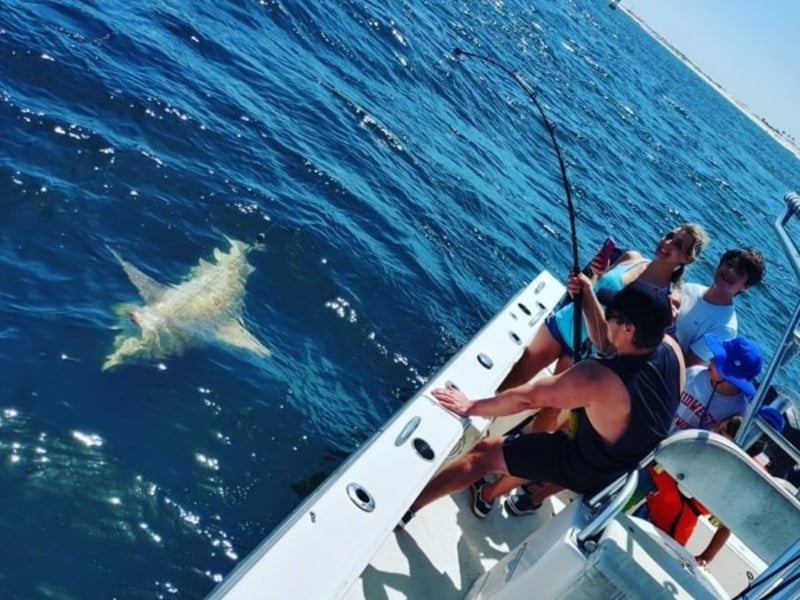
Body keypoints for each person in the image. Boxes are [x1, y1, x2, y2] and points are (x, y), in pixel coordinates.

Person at [400, 282, 684, 525]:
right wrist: (586, 295)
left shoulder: (597, 378)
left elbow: (527, 398)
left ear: (629, 329)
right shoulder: (673, 353)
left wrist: (471, 406)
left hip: (584, 465)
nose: (606, 320)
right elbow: (613, 350)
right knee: (537, 444)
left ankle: (406, 509)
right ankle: (492, 494)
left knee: (485, 454)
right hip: (620, 469)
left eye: (610, 316)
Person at [499, 224, 707, 392]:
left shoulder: (668, 299)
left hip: (589, 355)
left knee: (548, 413)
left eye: (678, 244)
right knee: (510, 383)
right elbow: (590, 289)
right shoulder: (630, 258)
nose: (667, 243)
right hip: (564, 324)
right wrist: (581, 283)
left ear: (687, 258)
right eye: (669, 235)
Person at [644, 334, 763, 567]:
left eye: (718, 360)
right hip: (651, 454)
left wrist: (706, 557)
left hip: (678, 474)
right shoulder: (693, 375)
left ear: (730, 375)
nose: (711, 360)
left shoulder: (739, 411)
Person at [673, 248, 765, 367]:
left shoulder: (726, 327)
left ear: (745, 287)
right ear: (719, 265)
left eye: (740, 273)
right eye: (729, 265)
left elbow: (689, 365)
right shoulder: (689, 288)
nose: (731, 272)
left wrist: (668, 327)